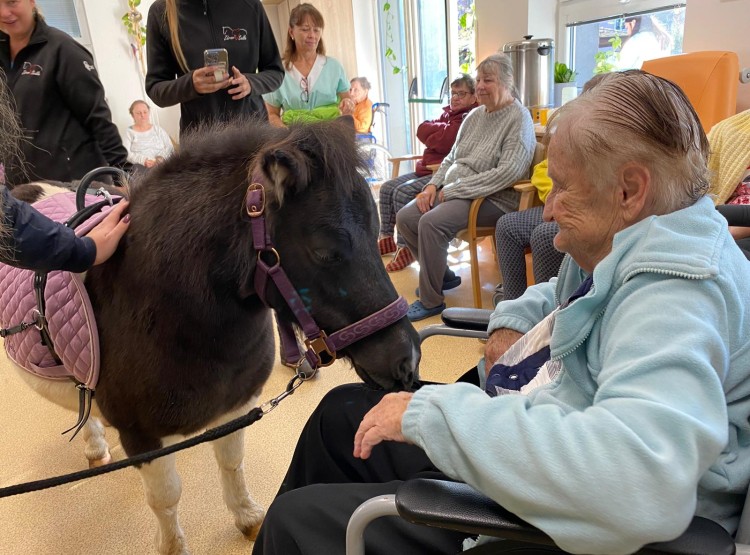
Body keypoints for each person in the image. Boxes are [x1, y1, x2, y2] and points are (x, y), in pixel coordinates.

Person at [252, 70, 750, 555]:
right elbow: (566, 292)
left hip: (575, 524)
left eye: (561, 186)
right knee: (337, 418)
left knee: (295, 524)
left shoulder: (678, 293)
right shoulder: (641, 236)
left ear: (629, 189)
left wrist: (436, 419)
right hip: (547, 432)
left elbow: (639, 485)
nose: (548, 208)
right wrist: (511, 314)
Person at [395, 53, 535, 321]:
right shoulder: (474, 117)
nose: (480, 85)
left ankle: (431, 300)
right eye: (479, 79)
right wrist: (432, 186)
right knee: (407, 217)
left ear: (507, 82)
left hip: (493, 198)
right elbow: (452, 157)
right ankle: (441, 275)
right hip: (456, 190)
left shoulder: (519, 118)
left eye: (488, 80)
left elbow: (509, 172)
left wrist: (456, 189)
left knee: (431, 223)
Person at [492, 73, 612, 304]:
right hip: (559, 200)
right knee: (507, 225)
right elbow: (542, 169)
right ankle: (513, 300)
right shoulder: (572, 137)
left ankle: (551, 315)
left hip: (588, 210)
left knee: (546, 235)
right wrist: (557, 191)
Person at [0, 69, 130, 272]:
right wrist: (85, 250)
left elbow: (97, 116)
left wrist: (124, 171)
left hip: (73, 173)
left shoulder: (63, 51)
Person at [0, 0, 129, 186]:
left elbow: (97, 118)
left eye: (12, 1)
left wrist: (123, 175)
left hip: (72, 186)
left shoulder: (63, 50)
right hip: (22, 188)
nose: (4, 13)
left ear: (31, 1)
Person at [378, 74, 478, 273]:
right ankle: (387, 238)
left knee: (401, 192)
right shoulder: (448, 115)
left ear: (474, 97)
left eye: (462, 94)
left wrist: (436, 135)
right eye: (453, 93)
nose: (456, 98)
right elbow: (421, 128)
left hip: (438, 174)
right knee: (387, 188)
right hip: (425, 168)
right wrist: (438, 132)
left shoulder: (469, 118)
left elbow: (446, 141)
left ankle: (405, 248)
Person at [145, 0, 284, 137]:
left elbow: (275, 72)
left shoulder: (251, 5)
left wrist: (250, 83)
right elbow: (155, 88)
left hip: (253, 137)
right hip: (200, 145)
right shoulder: (161, 11)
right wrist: (190, 85)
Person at [262, 3, 353, 127]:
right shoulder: (279, 71)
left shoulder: (334, 67)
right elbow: (272, 114)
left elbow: (347, 100)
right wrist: (287, 135)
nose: (312, 35)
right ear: (291, 32)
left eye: (316, 30)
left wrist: (348, 103)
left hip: (331, 137)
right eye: (305, 29)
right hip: (294, 138)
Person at [123, 100, 174, 169]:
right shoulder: (129, 132)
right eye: (138, 113)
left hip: (162, 163)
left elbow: (169, 147)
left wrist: (161, 158)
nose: (142, 115)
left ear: (149, 112)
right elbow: (126, 153)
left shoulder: (158, 129)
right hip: (141, 166)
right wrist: (143, 160)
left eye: (145, 112)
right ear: (132, 115)